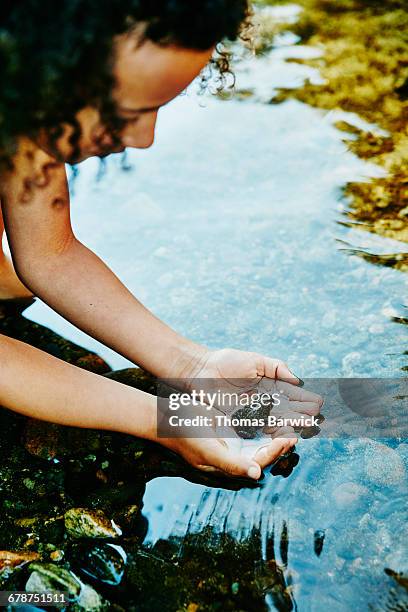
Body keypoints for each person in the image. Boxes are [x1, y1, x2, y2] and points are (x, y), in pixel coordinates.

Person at [0, 1, 322, 481]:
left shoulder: (24, 103)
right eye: (129, 110)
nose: (146, 137)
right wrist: (162, 420)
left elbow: (51, 254)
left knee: (18, 283)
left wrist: (191, 364)